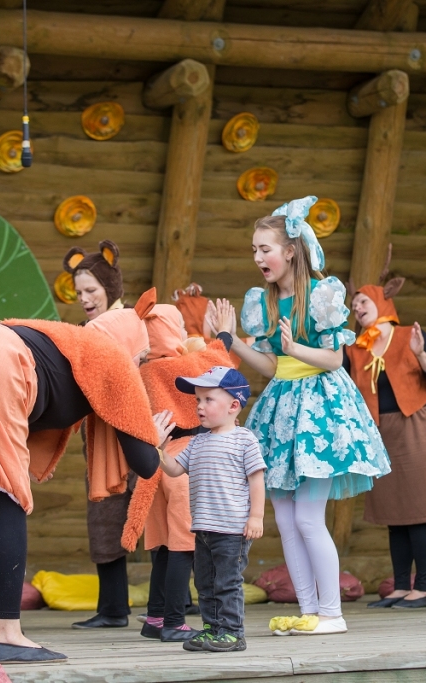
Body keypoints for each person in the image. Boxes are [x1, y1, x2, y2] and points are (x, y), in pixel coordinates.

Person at [0, 289, 162, 664]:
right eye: (143, 357)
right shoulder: (113, 357)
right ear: (130, 344)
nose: (140, 365)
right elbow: (146, 463)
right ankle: (8, 634)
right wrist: (158, 436)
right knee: (7, 499)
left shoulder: (69, 341)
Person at [209, 196, 390, 636]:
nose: (257, 258)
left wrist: (294, 349)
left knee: (309, 517)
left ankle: (333, 613)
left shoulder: (323, 294)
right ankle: (310, 610)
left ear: (290, 250)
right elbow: (272, 366)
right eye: (253, 250)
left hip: (320, 409)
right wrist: (231, 341)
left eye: (264, 249)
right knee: (287, 520)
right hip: (282, 406)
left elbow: (333, 358)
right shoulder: (265, 303)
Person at [122, 304, 235, 642]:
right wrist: (224, 334)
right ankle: (174, 621)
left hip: (159, 461)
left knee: (165, 548)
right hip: (187, 461)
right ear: (171, 332)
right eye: (181, 327)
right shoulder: (185, 365)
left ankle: (155, 617)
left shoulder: (143, 371)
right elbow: (221, 367)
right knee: (185, 547)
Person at [344, 261, 426, 610]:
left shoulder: (409, 335)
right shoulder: (354, 348)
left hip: (414, 427)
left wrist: (421, 354)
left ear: (382, 301)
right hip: (380, 433)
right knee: (394, 514)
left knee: (419, 510)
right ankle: (400, 587)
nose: (357, 309)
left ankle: (421, 589)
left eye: (363, 302)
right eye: (354, 305)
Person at [155, 367, 265, 653]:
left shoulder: (244, 440)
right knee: (205, 583)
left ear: (233, 405)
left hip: (232, 530)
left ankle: (232, 632)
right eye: (197, 401)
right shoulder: (198, 442)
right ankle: (212, 629)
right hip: (203, 529)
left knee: (227, 582)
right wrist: (159, 448)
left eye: (207, 399)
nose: (200, 407)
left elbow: (257, 480)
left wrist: (256, 516)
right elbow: (174, 468)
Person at [62, 242, 140, 630]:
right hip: (102, 441)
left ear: (110, 285)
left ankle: (177, 604)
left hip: (142, 433)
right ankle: (113, 608)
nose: (85, 299)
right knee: (106, 519)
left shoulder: (137, 324)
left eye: (91, 290)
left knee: (159, 518)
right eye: (79, 293)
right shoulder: (83, 334)